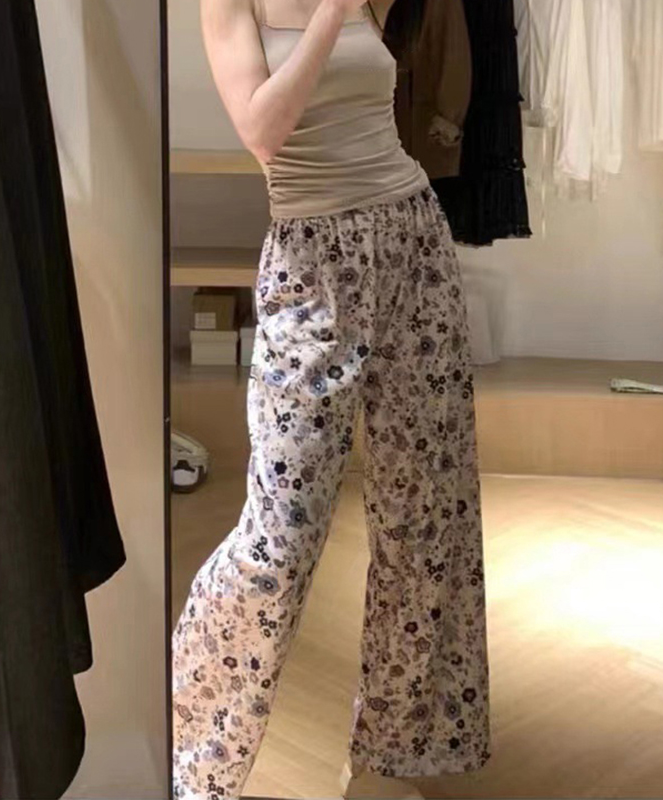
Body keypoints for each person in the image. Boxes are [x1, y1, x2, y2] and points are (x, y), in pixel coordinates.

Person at [172, 1, 491, 798]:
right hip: (312, 262)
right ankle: (191, 758)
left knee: (427, 514)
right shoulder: (230, 5)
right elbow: (263, 131)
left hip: (411, 241)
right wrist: (330, 14)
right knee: (278, 537)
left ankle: (392, 759)